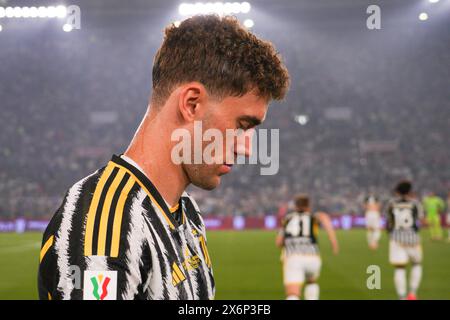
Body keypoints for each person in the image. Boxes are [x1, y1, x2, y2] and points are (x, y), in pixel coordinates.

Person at [38, 15, 290, 300]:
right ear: (191, 104)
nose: (247, 149)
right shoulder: (107, 223)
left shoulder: (187, 214)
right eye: (242, 126)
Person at [276, 194, 339, 300]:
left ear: (295, 206)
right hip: (313, 257)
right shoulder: (314, 217)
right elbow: (325, 220)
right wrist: (334, 243)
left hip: (293, 257)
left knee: (293, 293)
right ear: (308, 205)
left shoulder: (287, 219)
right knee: (311, 281)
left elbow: (278, 243)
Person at [386, 181, 424, 300]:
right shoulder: (415, 203)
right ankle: (412, 293)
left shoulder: (391, 204)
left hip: (397, 239)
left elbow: (389, 221)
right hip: (413, 239)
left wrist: (390, 232)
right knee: (416, 264)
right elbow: (421, 219)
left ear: (397, 191)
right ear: (410, 191)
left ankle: (402, 297)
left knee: (399, 268)